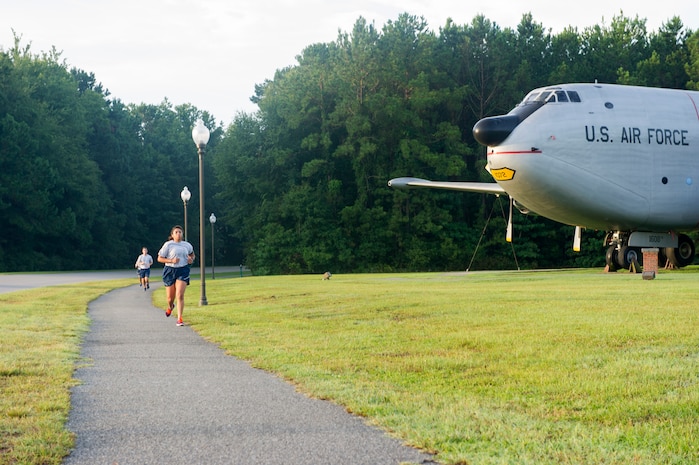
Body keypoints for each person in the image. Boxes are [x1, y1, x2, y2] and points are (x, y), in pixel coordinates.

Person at [157, 225, 195, 327]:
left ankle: (179, 318)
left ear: (182, 234)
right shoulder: (168, 245)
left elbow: (192, 254)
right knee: (170, 298)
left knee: (180, 295)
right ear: (172, 235)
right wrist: (171, 260)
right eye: (176, 232)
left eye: (180, 232)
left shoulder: (187, 245)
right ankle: (170, 306)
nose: (178, 234)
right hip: (170, 270)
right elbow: (160, 258)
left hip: (183, 270)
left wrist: (191, 259)